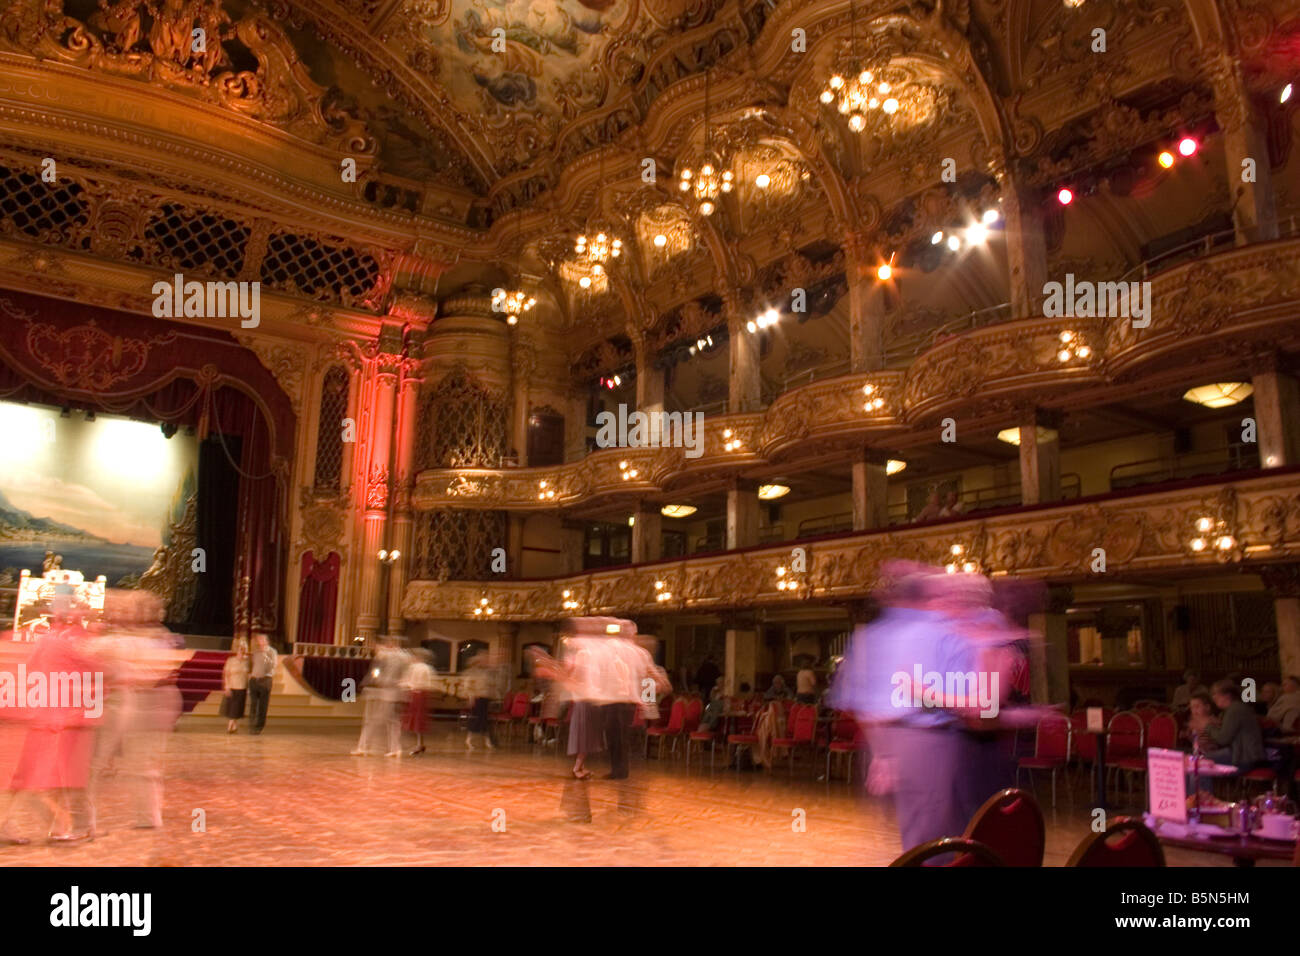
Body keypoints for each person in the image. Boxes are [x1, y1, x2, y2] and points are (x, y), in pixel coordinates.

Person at [1198, 679, 1266, 771]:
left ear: (1227, 695)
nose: (1213, 697)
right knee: (1199, 758)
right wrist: (1217, 725)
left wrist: (1207, 726)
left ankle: (1202, 786)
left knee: (1199, 761)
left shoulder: (1234, 710)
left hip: (1244, 758)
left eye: (1215, 694)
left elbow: (1223, 739)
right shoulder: (1236, 707)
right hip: (1243, 753)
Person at [402, 649, 436, 756]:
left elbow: (408, 681)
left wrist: (404, 685)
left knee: (417, 720)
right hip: (421, 694)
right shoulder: (427, 668)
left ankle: (419, 744)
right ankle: (419, 743)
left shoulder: (416, 668)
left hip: (418, 695)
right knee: (417, 720)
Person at [247, 632, 276, 735]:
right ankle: (251, 726)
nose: (259, 641)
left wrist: (265, 656)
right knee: (253, 704)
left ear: (266, 641)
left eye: (261, 639)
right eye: (258, 640)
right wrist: (251, 676)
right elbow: (251, 665)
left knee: (263, 706)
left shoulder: (272, 652)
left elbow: (272, 667)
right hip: (254, 680)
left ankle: (259, 727)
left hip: (265, 681)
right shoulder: (255, 652)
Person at [222, 640, 250, 734]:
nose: (241, 650)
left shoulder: (247, 661)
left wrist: (249, 687)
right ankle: (231, 724)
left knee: (237, 708)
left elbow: (249, 675)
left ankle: (233, 724)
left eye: (243, 649)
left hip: (242, 687)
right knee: (232, 707)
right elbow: (226, 674)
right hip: (232, 686)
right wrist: (227, 686)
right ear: (237, 649)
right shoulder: (231, 660)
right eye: (240, 648)